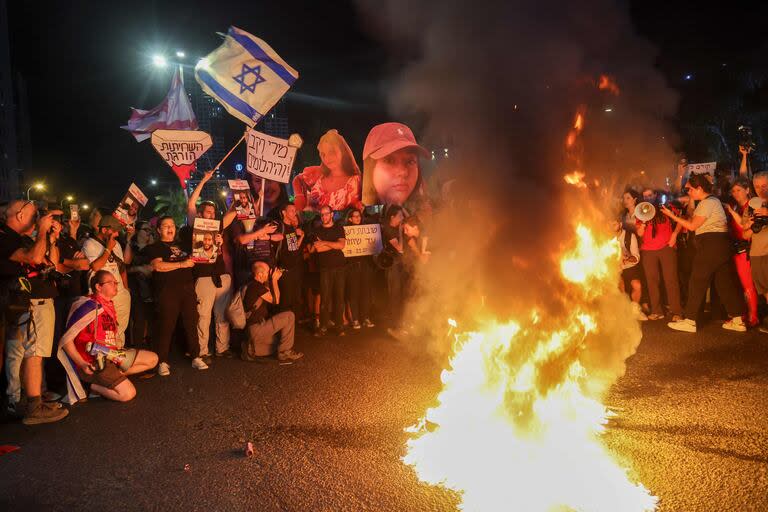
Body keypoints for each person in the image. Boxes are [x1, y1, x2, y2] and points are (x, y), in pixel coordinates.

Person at [0, 200, 69, 424]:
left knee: (23, 353)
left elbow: (49, 264)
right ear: (20, 215)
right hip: (25, 303)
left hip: (23, 303)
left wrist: (50, 238)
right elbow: (34, 258)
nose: (37, 217)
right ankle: (32, 406)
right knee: (32, 354)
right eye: (33, 214)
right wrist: (41, 230)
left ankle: (21, 402)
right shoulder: (5, 237)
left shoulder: (17, 238)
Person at [57, 270, 158, 402]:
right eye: (110, 283)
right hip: (94, 362)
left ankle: (111, 378)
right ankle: (91, 386)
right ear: (98, 287)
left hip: (112, 355)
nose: (115, 285)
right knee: (128, 394)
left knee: (153, 359)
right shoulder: (87, 306)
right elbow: (66, 341)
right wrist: (82, 364)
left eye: (116, 282)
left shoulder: (109, 304)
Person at [663, 173, 746, 332]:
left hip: (711, 245)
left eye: (690, 189)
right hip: (720, 245)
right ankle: (737, 320)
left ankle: (689, 321)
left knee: (697, 280)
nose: (688, 193)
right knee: (724, 283)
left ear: (699, 188)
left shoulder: (708, 203)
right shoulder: (712, 202)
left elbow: (692, 226)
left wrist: (671, 215)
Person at [144, 216, 206, 374]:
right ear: (158, 230)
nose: (170, 228)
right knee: (166, 326)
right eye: (165, 226)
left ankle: (195, 356)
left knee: (191, 323)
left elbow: (204, 252)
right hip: (167, 292)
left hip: (187, 291)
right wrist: (181, 264)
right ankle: (162, 361)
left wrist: (216, 241)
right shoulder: (154, 247)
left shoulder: (184, 245)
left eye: (172, 225)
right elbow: (157, 266)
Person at [186, 172, 238, 359]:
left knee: (221, 315)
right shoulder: (195, 224)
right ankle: (202, 351)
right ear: (200, 215)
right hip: (203, 276)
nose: (212, 214)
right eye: (208, 212)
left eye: (213, 212)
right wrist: (204, 180)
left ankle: (222, 348)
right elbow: (191, 204)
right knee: (204, 316)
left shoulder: (218, 226)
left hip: (221, 274)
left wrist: (238, 193)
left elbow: (234, 211)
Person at [82, 215, 134, 346]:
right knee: (105, 330)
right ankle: (105, 357)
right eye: (114, 230)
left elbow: (121, 267)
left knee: (120, 329)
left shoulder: (116, 244)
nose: (117, 233)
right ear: (104, 230)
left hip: (120, 293)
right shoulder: (90, 244)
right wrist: (108, 249)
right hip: (103, 296)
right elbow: (95, 266)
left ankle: (118, 357)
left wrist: (125, 289)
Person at [636, 188, 683, 321]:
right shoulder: (641, 212)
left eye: (650, 195)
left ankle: (676, 312)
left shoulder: (666, 208)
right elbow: (639, 233)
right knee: (652, 281)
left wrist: (674, 235)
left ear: (655, 195)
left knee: (671, 280)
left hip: (666, 248)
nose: (648, 198)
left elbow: (681, 219)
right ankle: (657, 311)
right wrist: (644, 222)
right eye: (645, 196)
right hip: (648, 251)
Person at [241, 261, 303, 362]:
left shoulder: (253, 285)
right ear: (260, 274)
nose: (269, 273)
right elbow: (276, 300)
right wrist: (274, 280)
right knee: (289, 316)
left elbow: (268, 291)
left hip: (253, 330)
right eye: (267, 272)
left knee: (278, 343)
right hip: (257, 329)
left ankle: (251, 348)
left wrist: (270, 279)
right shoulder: (256, 287)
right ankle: (285, 352)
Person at [361, 122, 429, 208]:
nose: (403, 172)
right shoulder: (358, 216)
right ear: (370, 169)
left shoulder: (425, 215)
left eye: (410, 161)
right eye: (389, 161)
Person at [293, 129, 362, 212]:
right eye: (323, 154)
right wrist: (300, 197)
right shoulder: (318, 174)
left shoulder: (355, 181)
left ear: (343, 151)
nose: (327, 158)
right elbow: (297, 180)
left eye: (331, 152)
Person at [725, 177, 759, 327]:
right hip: (737, 248)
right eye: (733, 191)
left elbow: (745, 227)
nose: (735, 193)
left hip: (747, 248)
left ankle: (753, 316)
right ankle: (746, 314)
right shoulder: (738, 207)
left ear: (747, 190)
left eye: (739, 190)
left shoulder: (751, 206)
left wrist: (732, 212)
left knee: (748, 284)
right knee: (742, 284)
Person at [310, 205, 347, 336]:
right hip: (325, 268)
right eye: (322, 215)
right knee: (325, 299)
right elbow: (318, 249)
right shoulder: (317, 231)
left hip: (340, 267)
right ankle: (323, 327)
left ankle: (339, 326)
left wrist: (325, 242)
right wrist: (333, 244)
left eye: (326, 214)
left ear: (332, 214)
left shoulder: (338, 228)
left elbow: (341, 245)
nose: (324, 217)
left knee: (339, 297)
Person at [743, 172, 768, 333]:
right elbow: (745, 234)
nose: (761, 190)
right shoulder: (751, 206)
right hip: (756, 253)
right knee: (765, 291)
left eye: (764, 186)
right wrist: (752, 225)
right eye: (757, 186)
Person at [344, 209, 374, 329]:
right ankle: (355, 319)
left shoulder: (366, 230)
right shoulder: (346, 231)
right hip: (352, 266)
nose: (357, 218)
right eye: (355, 216)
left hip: (365, 265)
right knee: (354, 293)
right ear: (350, 218)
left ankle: (365, 318)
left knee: (365, 293)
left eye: (359, 216)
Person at [275, 203, 306, 317]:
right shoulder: (280, 227)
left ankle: (291, 327)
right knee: (285, 301)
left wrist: (301, 236)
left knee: (294, 299)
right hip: (284, 270)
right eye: (292, 210)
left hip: (294, 269)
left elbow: (293, 247)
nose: (294, 213)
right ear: (284, 212)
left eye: (295, 210)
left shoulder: (291, 228)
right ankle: (283, 326)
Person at [613, 219, 647, 320]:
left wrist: (626, 259)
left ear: (620, 224)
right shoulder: (605, 237)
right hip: (614, 268)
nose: (611, 227)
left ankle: (635, 310)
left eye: (614, 224)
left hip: (629, 266)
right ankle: (622, 311)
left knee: (637, 285)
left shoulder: (629, 236)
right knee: (620, 286)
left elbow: (636, 256)